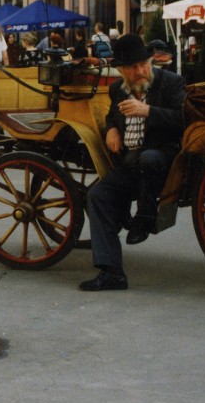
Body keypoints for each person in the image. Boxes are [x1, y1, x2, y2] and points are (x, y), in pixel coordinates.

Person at [80, 34, 186, 291]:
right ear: (121, 70)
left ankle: (146, 218)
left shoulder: (172, 83)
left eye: (144, 65)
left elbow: (185, 120)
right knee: (97, 195)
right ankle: (112, 272)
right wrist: (111, 130)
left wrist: (148, 111)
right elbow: (112, 116)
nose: (140, 71)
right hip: (131, 163)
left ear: (150, 61)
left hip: (166, 162)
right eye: (132, 67)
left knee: (149, 158)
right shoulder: (118, 89)